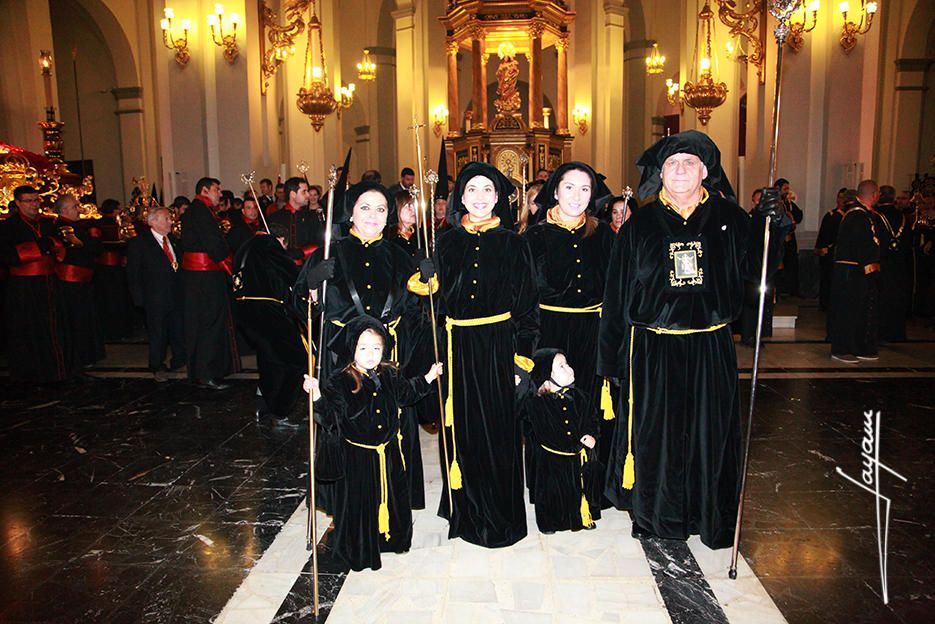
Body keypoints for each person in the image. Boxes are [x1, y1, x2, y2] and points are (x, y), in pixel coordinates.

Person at [598, 130, 787, 549]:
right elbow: (616, 295)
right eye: (671, 164)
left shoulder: (730, 218)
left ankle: (710, 514)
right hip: (653, 348)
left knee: (711, 434)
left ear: (705, 171)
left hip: (710, 346)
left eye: (689, 163)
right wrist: (610, 361)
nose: (679, 170)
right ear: (660, 174)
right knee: (657, 436)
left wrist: (772, 225)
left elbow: (761, 270)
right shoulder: (640, 225)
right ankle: (658, 516)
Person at [296, 181, 422, 512]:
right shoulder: (328, 254)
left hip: (386, 361)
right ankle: (342, 508)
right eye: (365, 207)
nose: (373, 215)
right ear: (350, 211)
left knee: (387, 430)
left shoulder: (401, 257)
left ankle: (389, 506)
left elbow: (414, 314)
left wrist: (428, 288)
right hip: (340, 357)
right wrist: (309, 289)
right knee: (342, 429)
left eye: (381, 209)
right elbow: (298, 309)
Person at [433, 162, 539, 548]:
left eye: (488, 190)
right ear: (460, 197)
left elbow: (528, 308)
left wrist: (521, 360)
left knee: (500, 430)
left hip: (499, 346)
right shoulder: (445, 243)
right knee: (462, 429)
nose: (479, 197)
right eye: (472, 190)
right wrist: (427, 283)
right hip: (457, 346)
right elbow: (435, 309)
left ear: (498, 198)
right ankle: (465, 512)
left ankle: (502, 517)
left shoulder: (514, 243)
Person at [304, 315, 442, 571]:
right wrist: (318, 396)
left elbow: (407, 393)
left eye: (376, 348)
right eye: (363, 348)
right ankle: (360, 547)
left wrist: (429, 378)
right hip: (357, 458)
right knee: (361, 504)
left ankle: (391, 540)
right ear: (352, 349)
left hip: (388, 454)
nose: (371, 354)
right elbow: (331, 416)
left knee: (393, 497)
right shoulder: (341, 381)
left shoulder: (390, 374)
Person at [524, 162, 613, 506]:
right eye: (569, 187)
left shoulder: (603, 234)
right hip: (548, 330)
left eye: (585, 189)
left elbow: (617, 288)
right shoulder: (534, 236)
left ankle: (588, 486)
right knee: (546, 405)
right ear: (555, 191)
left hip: (592, 330)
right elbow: (524, 295)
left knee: (587, 405)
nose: (576, 196)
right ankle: (549, 488)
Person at [520, 348, 600, 534]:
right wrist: (519, 387)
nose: (569, 369)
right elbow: (521, 420)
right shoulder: (535, 403)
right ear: (546, 376)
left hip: (576, 456)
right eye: (561, 366)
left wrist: (591, 434)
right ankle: (550, 522)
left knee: (578, 489)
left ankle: (581, 515)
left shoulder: (581, 397)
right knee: (551, 494)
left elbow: (592, 418)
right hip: (550, 461)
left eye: (567, 363)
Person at [0, 185, 75, 383]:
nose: (34, 205)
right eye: (29, 201)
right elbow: (6, 256)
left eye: (37, 200)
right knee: (27, 332)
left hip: (50, 283)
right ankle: (32, 377)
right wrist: (38, 248)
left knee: (55, 329)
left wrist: (55, 246)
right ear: (18, 203)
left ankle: (59, 372)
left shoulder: (48, 223)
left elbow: (58, 246)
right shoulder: (8, 227)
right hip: (23, 288)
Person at [233, 222, 305, 423]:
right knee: (297, 360)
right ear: (281, 240)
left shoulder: (244, 247)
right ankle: (281, 411)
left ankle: (263, 405)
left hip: (244, 313)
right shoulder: (268, 243)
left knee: (270, 360)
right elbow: (290, 273)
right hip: (266, 311)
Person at [180, 177, 240, 390]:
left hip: (201, 278)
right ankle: (206, 373)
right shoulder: (200, 211)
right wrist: (230, 261)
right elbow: (214, 244)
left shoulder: (200, 210)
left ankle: (205, 371)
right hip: (204, 279)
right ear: (204, 190)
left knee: (205, 323)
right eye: (216, 189)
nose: (219, 194)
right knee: (209, 324)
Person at [127, 206, 186, 381]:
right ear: (153, 221)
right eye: (166, 218)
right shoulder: (139, 243)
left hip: (175, 294)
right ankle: (157, 365)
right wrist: (139, 298)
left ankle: (179, 360)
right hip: (154, 296)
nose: (170, 222)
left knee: (177, 329)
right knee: (158, 332)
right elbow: (133, 273)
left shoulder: (173, 240)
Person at [830, 180, 882, 363]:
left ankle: (857, 345)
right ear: (874, 194)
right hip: (850, 271)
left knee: (859, 311)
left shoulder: (864, 214)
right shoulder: (857, 215)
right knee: (847, 310)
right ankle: (841, 348)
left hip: (857, 271)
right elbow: (863, 245)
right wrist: (870, 266)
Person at [53, 194, 105, 368]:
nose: (79, 209)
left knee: (86, 318)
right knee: (76, 321)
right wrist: (87, 243)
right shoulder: (61, 228)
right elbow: (84, 247)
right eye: (75, 206)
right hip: (70, 282)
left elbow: (96, 247)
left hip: (83, 281)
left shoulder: (77, 227)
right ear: (64, 210)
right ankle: (78, 357)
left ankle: (88, 355)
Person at [876, 185, 912, 342]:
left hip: (881, 264)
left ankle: (879, 332)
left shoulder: (875, 216)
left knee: (880, 299)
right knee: (897, 299)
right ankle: (895, 332)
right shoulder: (903, 217)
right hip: (900, 265)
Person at [268, 177, 322, 266]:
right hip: (281, 267)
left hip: (307, 268)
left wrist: (301, 252)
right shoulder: (275, 218)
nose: (308, 195)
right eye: (304, 191)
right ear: (293, 194)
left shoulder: (311, 217)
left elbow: (319, 243)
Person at [814, 188, 849, 313]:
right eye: (839, 197)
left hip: (843, 256)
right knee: (827, 280)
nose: (841, 201)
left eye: (844, 198)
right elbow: (823, 235)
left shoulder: (851, 216)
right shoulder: (831, 216)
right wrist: (820, 249)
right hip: (829, 255)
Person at [775, 177, 803, 297]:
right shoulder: (776, 203)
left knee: (792, 264)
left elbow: (798, 216)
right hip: (780, 239)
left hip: (790, 238)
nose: (787, 191)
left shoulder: (789, 203)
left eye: (788, 189)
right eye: (785, 189)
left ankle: (792, 290)